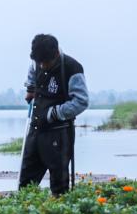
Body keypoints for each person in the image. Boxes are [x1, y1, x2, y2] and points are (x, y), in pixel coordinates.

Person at [19, 34, 89, 195]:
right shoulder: (37, 61)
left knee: (59, 187)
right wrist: (30, 90)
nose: (42, 66)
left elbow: (81, 101)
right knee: (25, 183)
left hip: (59, 133)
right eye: (39, 62)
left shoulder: (72, 68)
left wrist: (54, 113)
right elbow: (32, 71)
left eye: (46, 62)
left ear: (56, 54)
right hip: (35, 129)